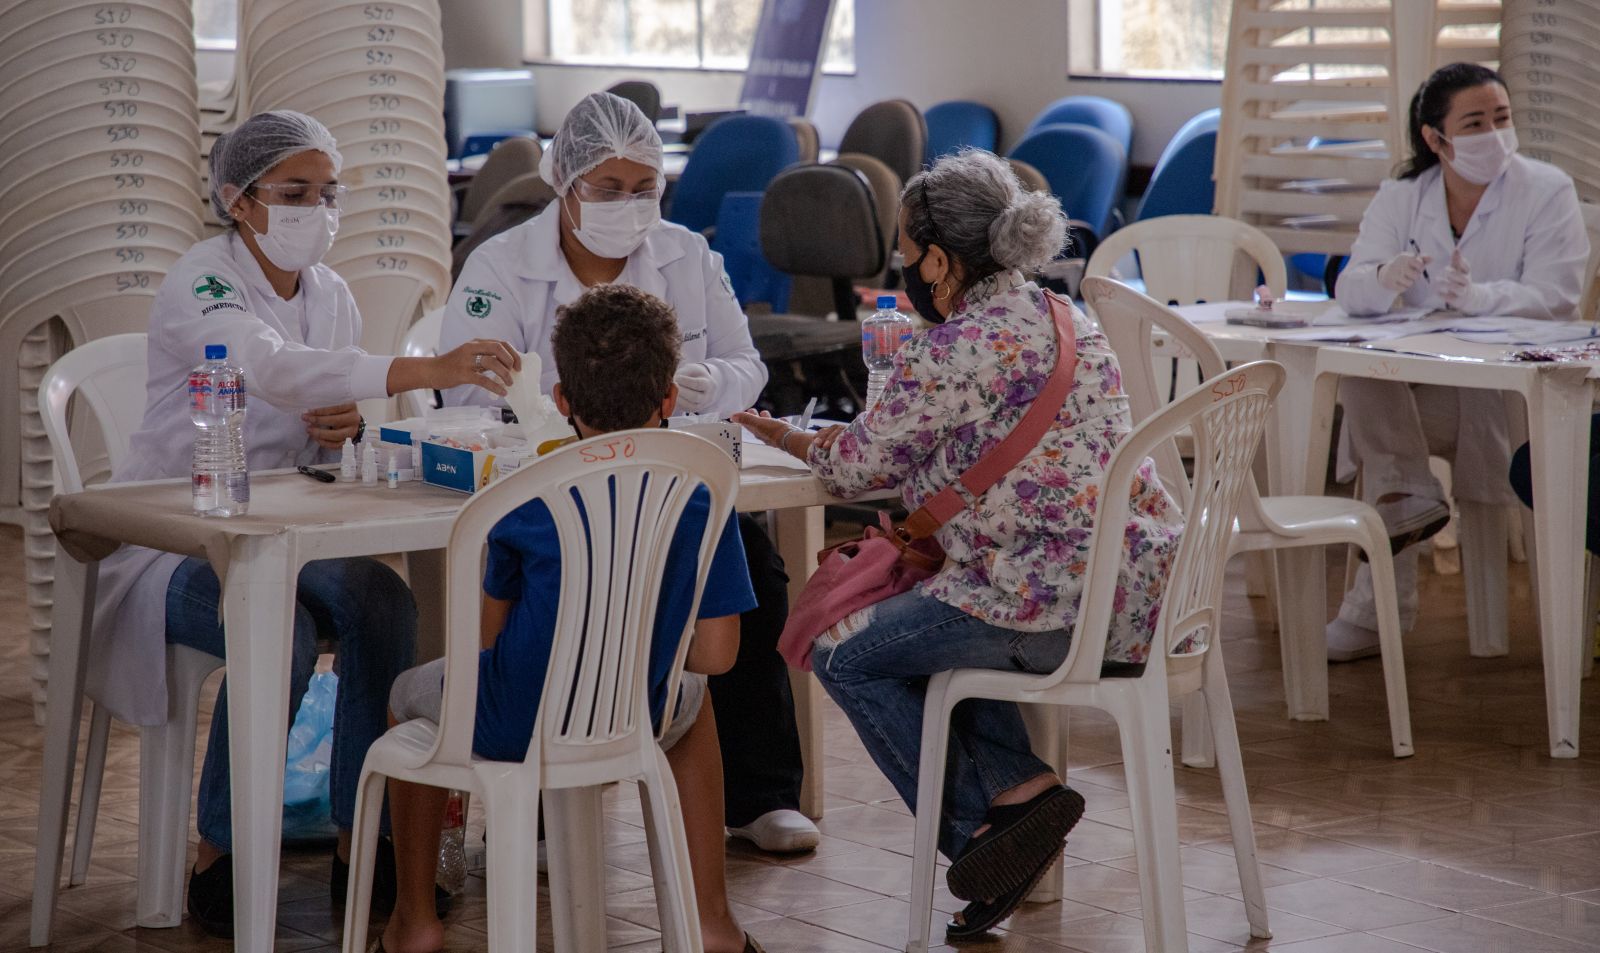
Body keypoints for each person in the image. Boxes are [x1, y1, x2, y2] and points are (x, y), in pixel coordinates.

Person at [87, 111, 521, 936]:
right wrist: (426, 366)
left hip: (283, 523)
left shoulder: (333, 296)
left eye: (328, 193)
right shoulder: (202, 280)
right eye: (293, 193)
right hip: (175, 532)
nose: (316, 211)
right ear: (238, 199)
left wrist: (350, 427)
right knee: (274, 626)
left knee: (386, 602)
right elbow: (269, 367)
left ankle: (369, 844)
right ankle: (222, 849)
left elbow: (315, 409)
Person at [735, 150, 1184, 940]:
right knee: (922, 629)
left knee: (844, 649)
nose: (905, 271)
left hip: (1042, 604)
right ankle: (1020, 790)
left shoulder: (955, 346)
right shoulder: (1062, 312)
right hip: (1132, 589)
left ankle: (981, 835)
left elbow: (859, 467)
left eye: (908, 256)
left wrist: (789, 435)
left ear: (940, 259)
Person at [441, 91, 819, 853]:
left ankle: (758, 795)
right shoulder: (501, 266)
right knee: (552, 591)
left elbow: (748, 365)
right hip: (550, 496)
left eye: (643, 187)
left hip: (672, 487)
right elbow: (463, 393)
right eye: (607, 189)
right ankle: (545, 810)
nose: (628, 204)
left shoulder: (687, 254)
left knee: (758, 565)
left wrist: (705, 381)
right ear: (563, 182)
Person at [381, 285, 764, 953]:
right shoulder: (702, 492)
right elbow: (719, 654)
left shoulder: (523, 497)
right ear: (670, 397)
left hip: (515, 721)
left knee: (405, 698)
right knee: (693, 703)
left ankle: (415, 917)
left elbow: (490, 642)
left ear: (560, 400)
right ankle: (712, 921)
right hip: (632, 717)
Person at [1328, 63, 1590, 661]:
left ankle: (1382, 580)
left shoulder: (1545, 189)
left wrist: (1481, 299)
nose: (1494, 133)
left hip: (1503, 396)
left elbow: (1558, 297)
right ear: (1435, 139)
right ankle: (1409, 493)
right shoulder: (1402, 196)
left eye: (1502, 118)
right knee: (1360, 371)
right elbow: (1351, 291)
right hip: (1418, 393)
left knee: (1385, 439)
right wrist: (1381, 280)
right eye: (1474, 122)